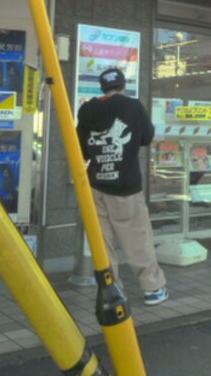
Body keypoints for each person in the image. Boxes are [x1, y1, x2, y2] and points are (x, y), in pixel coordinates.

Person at [76, 67, 168, 305]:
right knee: (138, 238)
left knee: (102, 242)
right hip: (126, 186)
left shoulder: (87, 110)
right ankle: (153, 288)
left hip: (95, 185)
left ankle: (112, 290)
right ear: (123, 85)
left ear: (101, 87)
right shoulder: (132, 106)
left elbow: (81, 149)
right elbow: (146, 137)